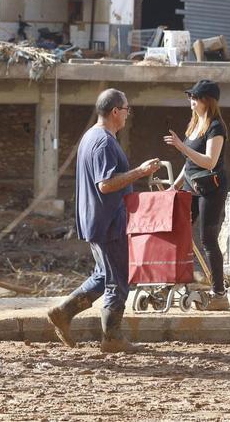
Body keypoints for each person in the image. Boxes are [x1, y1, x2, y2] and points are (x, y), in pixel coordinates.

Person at [47, 89, 161, 353]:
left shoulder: (91, 136)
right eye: (127, 109)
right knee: (118, 280)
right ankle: (112, 338)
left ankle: (63, 312)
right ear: (115, 111)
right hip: (109, 222)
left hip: (98, 219)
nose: (128, 115)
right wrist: (140, 171)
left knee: (103, 274)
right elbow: (106, 184)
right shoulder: (104, 142)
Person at [163, 79, 230, 310]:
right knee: (178, 232)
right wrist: (175, 185)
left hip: (211, 189)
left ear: (207, 101)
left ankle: (219, 293)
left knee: (207, 240)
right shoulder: (194, 124)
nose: (191, 100)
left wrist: (181, 146)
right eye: (190, 96)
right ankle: (175, 281)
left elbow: (209, 162)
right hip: (190, 186)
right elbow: (189, 163)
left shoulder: (216, 127)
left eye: (195, 97)